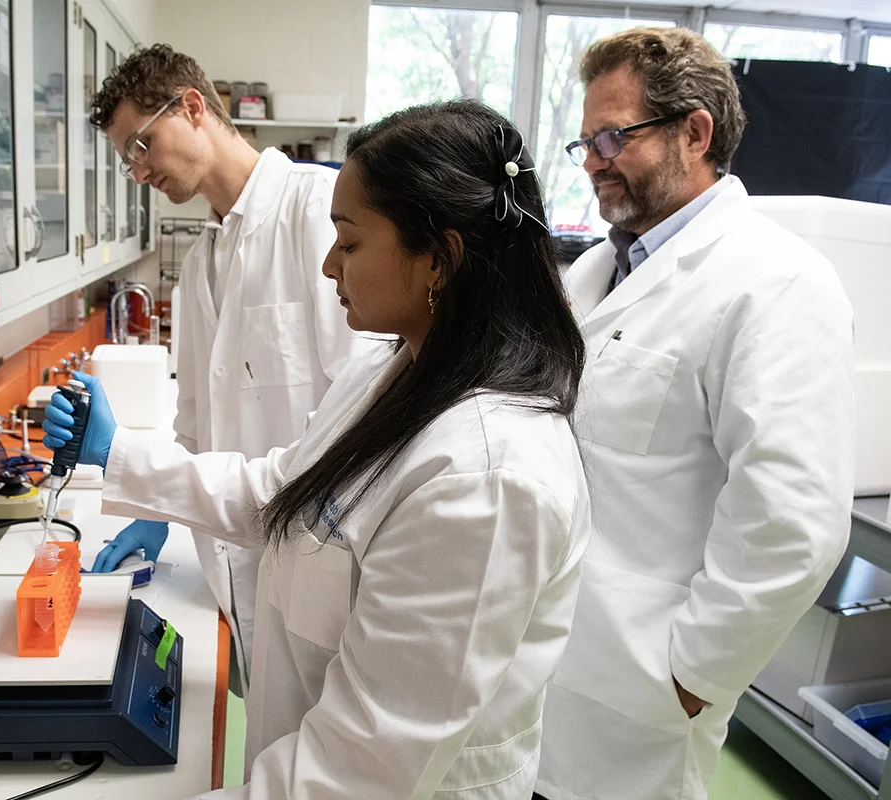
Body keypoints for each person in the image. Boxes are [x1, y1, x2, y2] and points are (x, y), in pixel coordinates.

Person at [45, 100, 592, 798]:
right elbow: (279, 490)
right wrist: (120, 454)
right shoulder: (390, 369)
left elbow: (356, 775)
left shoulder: (486, 477)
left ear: (439, 259)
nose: (329, 265)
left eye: (351, 242)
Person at [534, 27, 855, 800]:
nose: (593, 160)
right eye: (585, 142)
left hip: (640, 691)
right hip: (544, 664)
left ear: (696, 132)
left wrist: (691, 675)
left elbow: (794, 522)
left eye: (614, 136)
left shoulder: (777, 283)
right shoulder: (595, 270)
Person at [87, 44, 363, 694]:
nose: (135, 169)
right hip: (237, 575)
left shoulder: (317, 212)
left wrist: (139, 470)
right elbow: (195, 426)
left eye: (140, 144)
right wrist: (159, 512)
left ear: (191, 107)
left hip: (325, 572)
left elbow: (361, 418)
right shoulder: (200, 268)